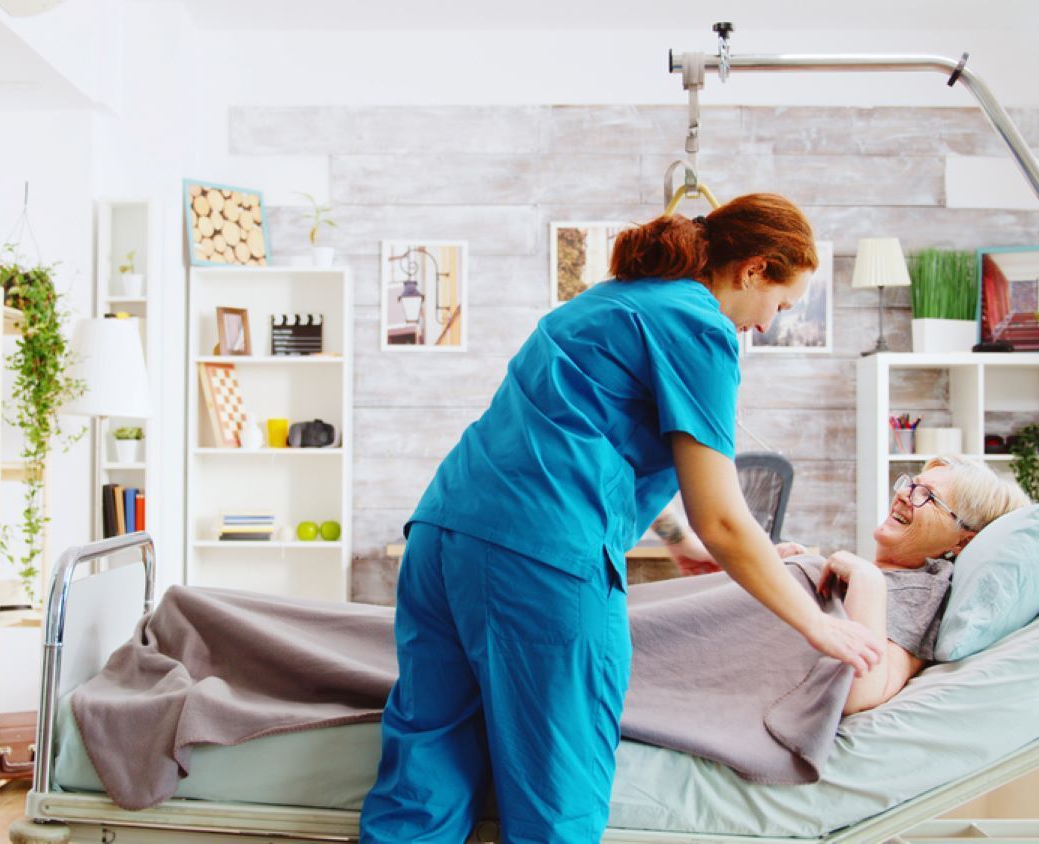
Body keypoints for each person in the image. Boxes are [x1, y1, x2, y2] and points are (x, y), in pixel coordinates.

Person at [359, 194, 886, 844]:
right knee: (558, 797)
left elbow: (594, 438)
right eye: (780, 305)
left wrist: (676, 541)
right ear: (754, 269)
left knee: (425, 768)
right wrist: (816, 627)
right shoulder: (700, 326)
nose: (767, 325)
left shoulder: (608, 300)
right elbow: (723, 518)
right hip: (540, 561)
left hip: (443, 538)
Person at [656, 455, 1029, 714]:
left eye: (927, 496)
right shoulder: (886, 576)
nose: (903, 493)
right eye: (910, 483)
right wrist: (778, 570)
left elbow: (860, 691)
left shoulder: (921, 589)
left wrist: (867, 580)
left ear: (961, 541)